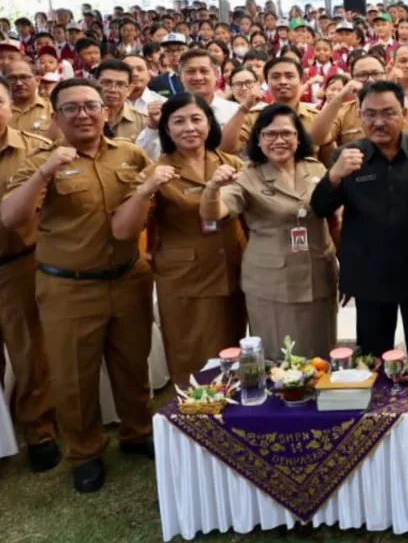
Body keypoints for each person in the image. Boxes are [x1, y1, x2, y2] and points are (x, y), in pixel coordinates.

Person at [1, 78, 157, 493]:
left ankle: (137, 431)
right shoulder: (39, 161)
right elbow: (12, 217)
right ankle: (85, 452)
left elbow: (152, 199)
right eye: (71, 108)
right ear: (55, 117)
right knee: (74, 376)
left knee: (132, 363)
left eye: (91, 105)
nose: (83, 114)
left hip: (127, 278)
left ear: (106, 112)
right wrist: (47, 171)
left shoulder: (130, 153)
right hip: (69, 287)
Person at [310, 81, 408, 358]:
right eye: (370, 114)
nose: (378, 122)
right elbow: (320, 207)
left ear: (404, 113)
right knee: (373, 358)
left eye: (388, 113)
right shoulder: (348, 155)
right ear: (359, 115)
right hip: (370, 276)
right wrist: (334, 175)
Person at [111, 92, 246, 387]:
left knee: (236, 356)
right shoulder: (158, 171)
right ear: (167, 129)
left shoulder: (231, 163)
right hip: (187, 280)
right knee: (194, 362)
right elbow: (124, 230)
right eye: (179, 121)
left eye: (196, 119)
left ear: (209, 123)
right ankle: (194, 413)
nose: (189, 128)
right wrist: (147, 189)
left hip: (233, 273)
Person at [200, 104, 337, 358]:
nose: (279, 140)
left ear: (298, 137)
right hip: (273, 283)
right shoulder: (248, 176)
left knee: (321, 354)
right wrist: (213, 188)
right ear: (258, 139)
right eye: (270, 134)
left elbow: (333, 213)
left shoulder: (315, 169)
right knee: (281, 358)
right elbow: (213, 213)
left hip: (318, 275)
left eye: (286, 133)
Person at [0, 75, 60, 473]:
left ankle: (39, 430)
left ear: (9, 106)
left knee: (28, 351)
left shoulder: (35, 150)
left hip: (17, 264)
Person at [6, 56, 58, 141]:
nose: (18, 83)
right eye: (12, 78)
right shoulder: (3, 111)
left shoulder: (52, 111)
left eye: (24, 77)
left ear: (37, 80)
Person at [96, 59, 149, 141]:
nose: (113, 90)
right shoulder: (82, 118)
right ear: (95, 84)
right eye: (106, 83)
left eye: (120, 84)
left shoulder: (142, 123)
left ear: (129, 89)